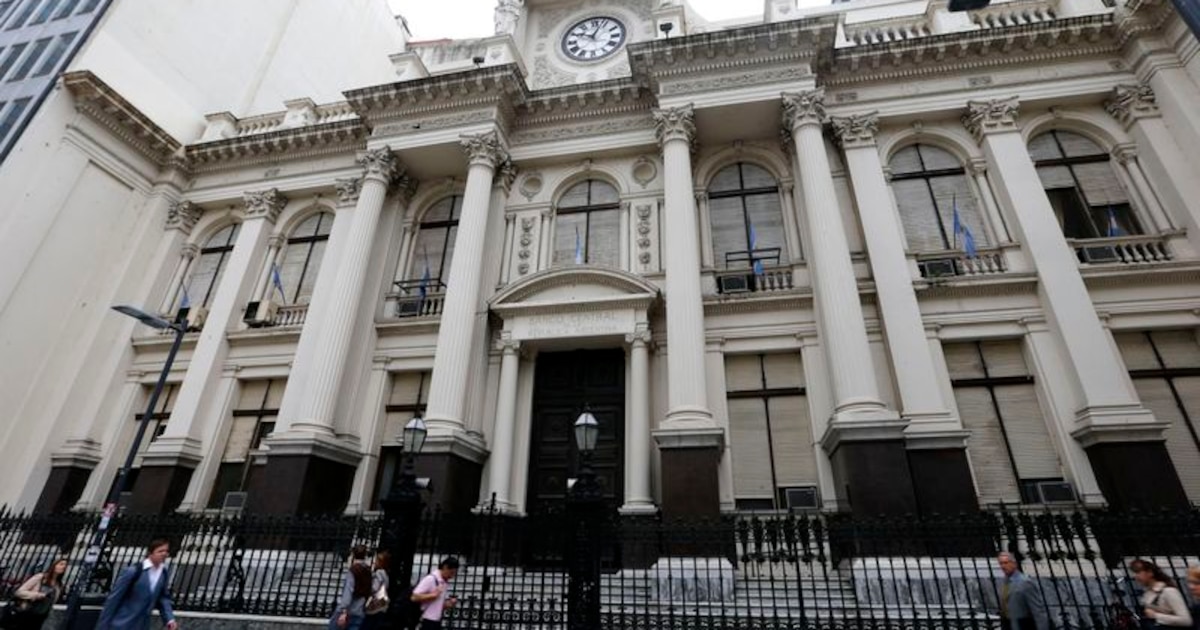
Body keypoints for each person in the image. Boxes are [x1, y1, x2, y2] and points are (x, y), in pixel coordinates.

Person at [97, 538, 177, 630]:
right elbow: (114, 599)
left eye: (166, 551)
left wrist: (169, 619)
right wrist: (103, 626)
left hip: (142, 625)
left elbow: (163, 597)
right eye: (160, 551)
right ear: (150, 553)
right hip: (121, 623)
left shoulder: (163, 573)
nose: (164, 554)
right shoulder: (134, 571)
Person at [7, 557, 67, 629]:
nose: (63, 567)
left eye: (65, 565)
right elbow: (19, 592)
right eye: (61, 564)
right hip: (27, 612)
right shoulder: (40, 577)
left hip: (40, 616)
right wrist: (37, 595)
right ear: (54, 565)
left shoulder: (58, 585)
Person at [1131, 558, 1193, 627]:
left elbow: (1186, 620)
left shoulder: (1169, 591)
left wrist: (1156, 616)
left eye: (1138, 572)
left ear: (1150, 573)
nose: (1135, 576)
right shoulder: (1148, 593)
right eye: (1134, 573)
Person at [997, 552, 1049, 630]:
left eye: (1006, 563)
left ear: (1014, 564)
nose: (1003, 566)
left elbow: (1037, 611)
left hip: (1023, 624)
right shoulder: (1004, 582)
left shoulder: (1025, 582)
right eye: (1001, 563)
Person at [328, 545, 373, 630]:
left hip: (349, 610)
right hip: (360, 610)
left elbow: (348, 591)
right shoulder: (368, 571)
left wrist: (344, 610)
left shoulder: (353, 571)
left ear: (353, 555)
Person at [410, 557, 459, 630]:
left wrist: (448, 604)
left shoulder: (444, 582)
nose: (452, 576)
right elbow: (414, 597)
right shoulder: (431, 579)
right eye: (451, 573)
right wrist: (433, 595)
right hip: (426, 619)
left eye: (454, 574)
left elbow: (436, 605)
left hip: (436, 620)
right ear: (445, 567)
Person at [361, 551, 390, 630]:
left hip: (375, 604)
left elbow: (374, 588)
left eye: (377, 560)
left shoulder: (379, 572)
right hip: (382, 603)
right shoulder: (385, 573)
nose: (375, 562)